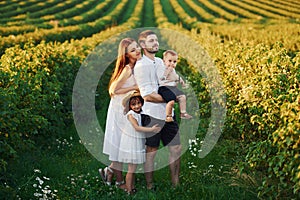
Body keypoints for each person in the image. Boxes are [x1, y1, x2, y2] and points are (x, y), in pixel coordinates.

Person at [134, 30, 182, 189]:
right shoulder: (141, 66)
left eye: (156, 40)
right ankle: (149, 185)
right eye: (151, 41)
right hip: (152, 115)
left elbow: (171, 79)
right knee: (152, 150)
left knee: (176, 148)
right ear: (142, 45)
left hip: (169, 115)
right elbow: (147, 96)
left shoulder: (162, 61)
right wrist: (173, 97)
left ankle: (176, 184)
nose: (156, 43)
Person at [100, 38, 141, 189]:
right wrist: (134, 88)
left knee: (123, 144)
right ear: (126, 55)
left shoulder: (137, 66)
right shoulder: (128, 69)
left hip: (126, 107)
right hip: (119, 109)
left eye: (137, 47)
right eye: (132, 50)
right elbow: (113, 90)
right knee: (120, 144)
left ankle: (110, 172)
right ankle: (118, 181)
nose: (137, 50)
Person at [119, 91, 161, 194]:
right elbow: (137, 128)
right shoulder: (131, 114)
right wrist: (152, 130)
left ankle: (131, 186)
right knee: (132, 168)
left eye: (138, 103)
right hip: (132, 142)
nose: (137, 106)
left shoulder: (140, 113)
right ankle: (129, 190)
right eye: (133, 104)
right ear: (129, 106)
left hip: (137, 141)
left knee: (134, 167)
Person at [158, 49, 192, 122]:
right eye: (169, 61)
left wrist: (183, 83)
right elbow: (167, 73)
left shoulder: (173, 70)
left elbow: (178, 77)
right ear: (164, 61)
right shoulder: (166, 68)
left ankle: (183, 112)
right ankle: (168, 116)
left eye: (174, 62)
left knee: (182, 97)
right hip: (164, 88)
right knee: (171, 100)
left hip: (172, 87)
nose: (172, 63)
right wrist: (164, 76)